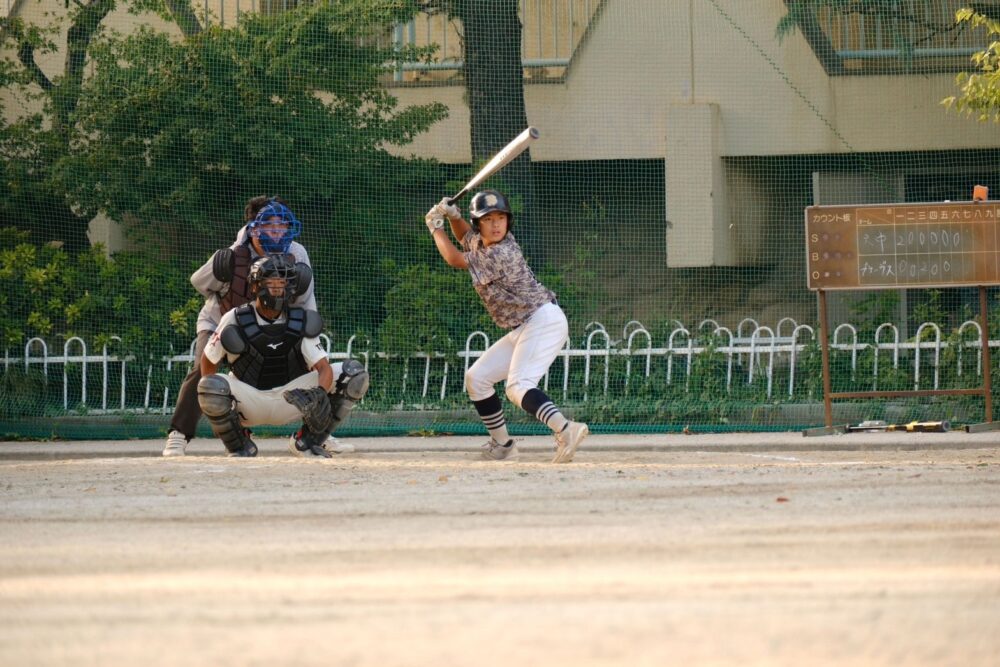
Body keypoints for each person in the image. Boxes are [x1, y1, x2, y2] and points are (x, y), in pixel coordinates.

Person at [162, 197, 353, 456]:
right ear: (254, 227)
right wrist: (230, 288)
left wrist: (307, 337)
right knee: (202, 370)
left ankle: (316, 434)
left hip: (276, 321)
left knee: (311, 365)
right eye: (269, 225)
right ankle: (179, 434)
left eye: (282, 225)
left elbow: (306, 301)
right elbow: (199, 281)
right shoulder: (233, 254)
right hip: (223, 319)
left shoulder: (296, 253)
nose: (276, 231)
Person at [423, 189, 588, 463]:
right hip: (526, 325)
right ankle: (504, 445)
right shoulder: (483, 243)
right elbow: (465, 238)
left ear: (508, 222)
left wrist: (435, 228)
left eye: (501, 218)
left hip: (542, 320)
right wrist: (454, 217)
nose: (497, 224)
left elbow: (454, 258)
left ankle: (566, 429)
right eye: (489, 219)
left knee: (518, 386)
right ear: (479, 224)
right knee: (477, 378)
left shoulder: (500, 252)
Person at [197, 254, 370, 457]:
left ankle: (307, 441)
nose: (278, 288)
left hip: (292, 398)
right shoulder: (234, 317)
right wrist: (217, 407)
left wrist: (320, 395)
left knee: (353, 374)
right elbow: (208, 360)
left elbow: (323, 368)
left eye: (282, 282)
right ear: (256, 286)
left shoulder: (300, 319)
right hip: (249, 400)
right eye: (271, 282)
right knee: (209, 384)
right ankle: (238, 444)